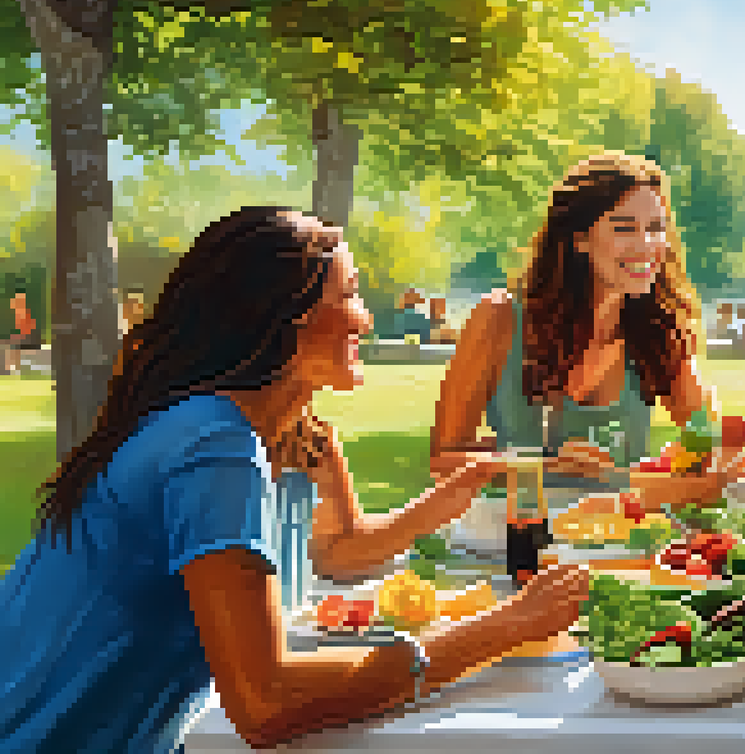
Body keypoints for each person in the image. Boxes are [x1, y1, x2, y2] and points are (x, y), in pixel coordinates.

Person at [0, 207, 590, 753]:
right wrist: (502, 629)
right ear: (287, 315)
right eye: (352, 295)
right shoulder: (215, 443)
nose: (365, 317)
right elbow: (267, 701)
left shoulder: (230, 426)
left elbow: (333, 558)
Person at [432, 153, 745, 491]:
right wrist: (545, 468)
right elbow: (444, 461)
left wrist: (727, 458)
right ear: (579, 237)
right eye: (624, 228)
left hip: (622, 539)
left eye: (656, 228)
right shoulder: (498, 318)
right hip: (510, 536)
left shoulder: (658, 329)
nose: (646, 246)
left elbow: (707, 444)